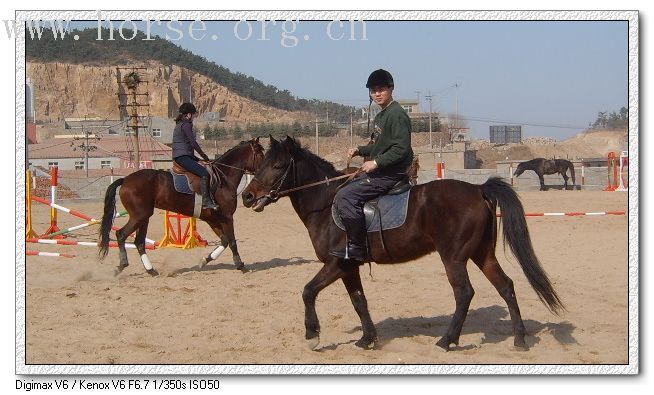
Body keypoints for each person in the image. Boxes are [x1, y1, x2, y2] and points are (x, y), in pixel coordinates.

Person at [331, 69, 413, 261]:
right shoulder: (382, 115)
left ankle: (357, 247)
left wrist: (376, 162)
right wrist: (360, 150)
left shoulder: (397, 115)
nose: (377, 94)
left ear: (391, 89)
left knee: (345, 196)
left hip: (390, 174)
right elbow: (379, 145)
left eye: (381, 89)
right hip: (382, 170)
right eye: (373, 90)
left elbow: (401, 149)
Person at [172, 102, 219, 210]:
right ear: (188, 115)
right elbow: (193, 143)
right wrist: (204, 156)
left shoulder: (179, 124)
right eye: (193, 115)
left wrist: (197, 159)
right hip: (182, 157)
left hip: (182, 156)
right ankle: (206, 201)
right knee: (204, 174)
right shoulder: (186, 125)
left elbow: (186, 146)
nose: (193, 117)